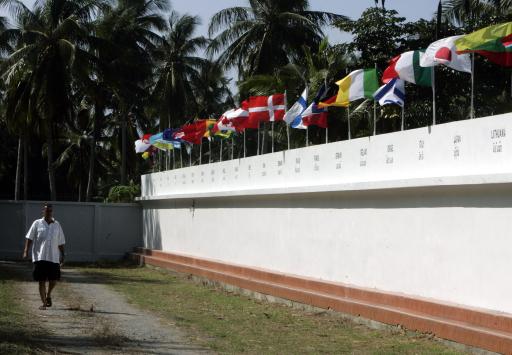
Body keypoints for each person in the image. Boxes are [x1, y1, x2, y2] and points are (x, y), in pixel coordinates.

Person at [22, 203, 66, 310]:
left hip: (53, 257)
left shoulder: (57, 225)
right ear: (43, 211)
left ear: (52, 212)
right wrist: (26, 250)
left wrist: (63, 254)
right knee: (41, 281)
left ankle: (49, 294)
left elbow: (60, 242)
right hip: (39, 257)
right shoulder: (37, 223)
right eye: (46, 210)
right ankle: (44, 303)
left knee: (54, 280)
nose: (48, 212)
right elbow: (29, 238)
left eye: (50, 211)